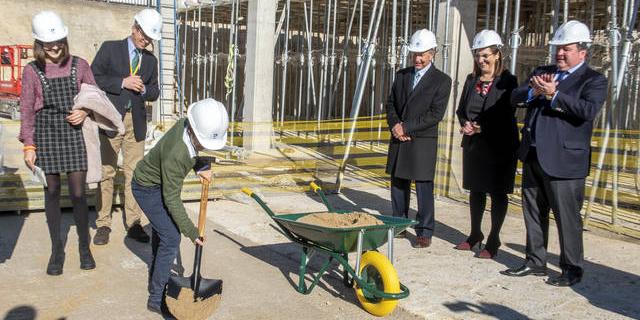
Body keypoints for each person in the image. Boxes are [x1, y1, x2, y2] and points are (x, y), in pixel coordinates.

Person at [501, 20, 608, 287]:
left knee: (567, 217)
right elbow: (515, 97)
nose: (559, 54)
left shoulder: (593, 80)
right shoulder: (543, 71)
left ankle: (572, 267)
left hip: (565, 161)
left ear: (583, 52)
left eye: (566, 49)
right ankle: (535, 261)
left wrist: (555, 95)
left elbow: (587, 111)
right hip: (534, 155)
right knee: (533, 212)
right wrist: (534, 90)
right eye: (558, 49)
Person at [131, 98, 229, 313]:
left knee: (163, 232)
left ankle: (156, 278)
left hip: (158, 183)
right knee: (172, 237)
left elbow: (191, 153)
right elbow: (172, 199)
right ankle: (156, 300)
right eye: (203, 142)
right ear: (194, 130)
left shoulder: (188, 124)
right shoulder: (177, 155)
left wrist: (200, 164)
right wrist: (191, 231)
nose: (204, 146)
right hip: (146, 188)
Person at [19, 11, 97, 275]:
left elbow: (94, 97)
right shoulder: (31, 71)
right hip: (45, 134)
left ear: (65, 38)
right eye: (46, 43)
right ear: (38, 44)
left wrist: (85, 111)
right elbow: (27, 109)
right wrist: (29, 145)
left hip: (74, 134)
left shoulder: (80, 64)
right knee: (51, 193)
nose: (53, 47)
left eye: (58, 41)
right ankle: (56, 251)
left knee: (78, 194)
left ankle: (84, 248)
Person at [91, 8, 163, 245]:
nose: (147, 41)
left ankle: (133, 223)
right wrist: (122, 82)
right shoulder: (110, 49)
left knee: (135, 174)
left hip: (137, 123)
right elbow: (93, 77)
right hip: (111, 119)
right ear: (135, 28)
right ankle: (103, 223)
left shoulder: (150, 61)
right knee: (106, 172)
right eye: (144, 36)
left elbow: (155, 90)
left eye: (150, 38)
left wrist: (143, 89)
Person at [454, 30, 518, 259]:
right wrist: (465, 124)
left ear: (497, 55)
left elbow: (506, 113)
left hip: (499, 147)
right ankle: (475, 234)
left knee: (498, 193)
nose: (481, 61)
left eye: (486, 56)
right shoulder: (472, 81)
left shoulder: (508, 81)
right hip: (474, 146)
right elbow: (461, 109)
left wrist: (482, 127)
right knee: (476, 191)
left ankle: (493, 239)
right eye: (478, 56)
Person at [385, 29, 452, 248]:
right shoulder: (402, 75)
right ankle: (399, 223)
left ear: (432, 53)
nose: (418, 58)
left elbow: (435, 114)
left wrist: (407, 127)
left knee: (423, 186)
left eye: (422, 54)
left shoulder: (442, 81)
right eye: (414, 54)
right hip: (399, 136)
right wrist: (395, 125)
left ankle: (424, 230)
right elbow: (391, 103)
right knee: (398, 183)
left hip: (422, 139)